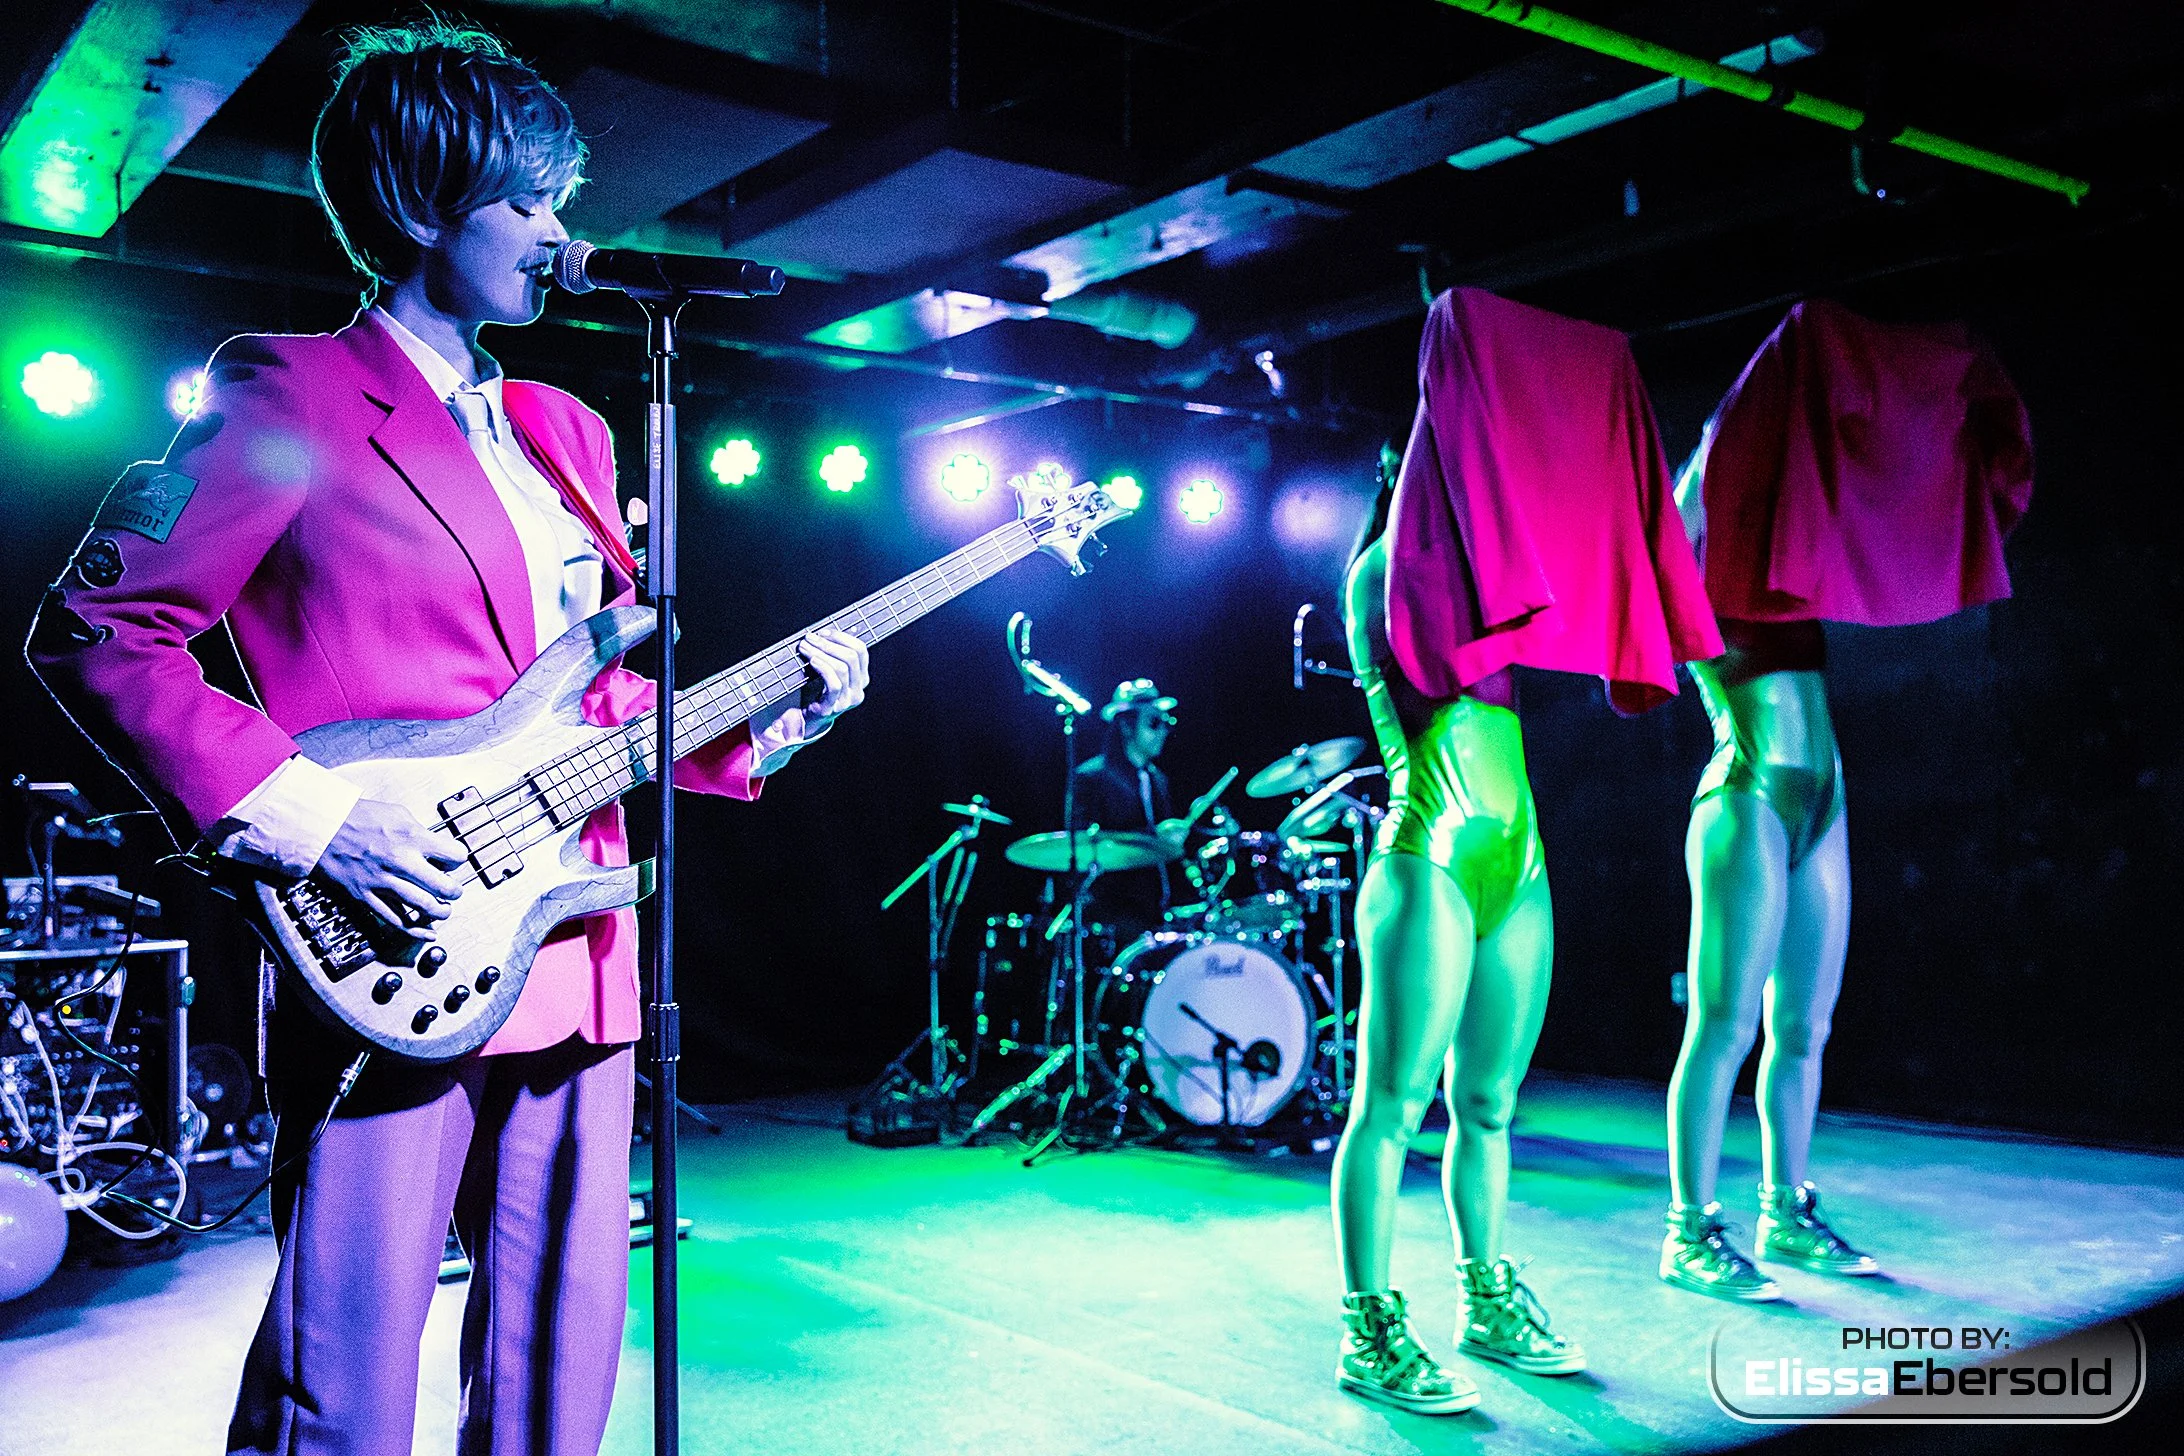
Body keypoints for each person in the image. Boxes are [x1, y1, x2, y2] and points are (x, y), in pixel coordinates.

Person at [26, 22, 870, 1455]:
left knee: (557, 1378)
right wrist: (320, 821)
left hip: (582, 947)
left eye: (561, 201)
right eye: (527, 202)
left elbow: (595, 700)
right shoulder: (289, 389)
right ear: (422, 204)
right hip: (397, 938)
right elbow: (101, 630)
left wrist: (763, 727)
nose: (560, 235)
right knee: (340, 1386)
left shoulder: (568, 431)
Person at [1331, 291, 1720, 1415]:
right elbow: (1431, 627)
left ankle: (1486, 1297)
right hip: (1428, 862)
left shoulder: (1495, 568)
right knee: (1392, 1105)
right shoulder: (1385, 575)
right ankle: (1369, 1328)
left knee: (1490, 1104)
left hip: (1519, 867)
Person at [1660, 299, 2033, 1301]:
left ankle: (1786, 1211)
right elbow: (1661, 574)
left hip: (1824, 795)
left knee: (1806, 1026)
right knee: (1725, 1025)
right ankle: (1689, 1231)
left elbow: (1868, 483)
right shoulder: (1695, 519)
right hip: (1745, 792)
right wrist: (1729, 432)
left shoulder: (1787, 521)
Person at [1068, 678, 1183, 947]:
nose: (1163, 731)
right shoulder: (1091, 778)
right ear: (1126, 726)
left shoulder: (1158, 780)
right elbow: (1084, 846)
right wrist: (1152, 838)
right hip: (1114, 915)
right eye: (1153, 723)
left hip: (1158, 909)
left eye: (1166, 723)